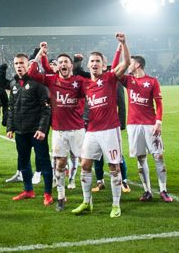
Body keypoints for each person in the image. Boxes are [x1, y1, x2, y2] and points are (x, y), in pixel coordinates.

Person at [71, 33, 130, 218]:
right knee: (85, 165)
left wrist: (123, 44)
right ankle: (86, 202)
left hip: (110, 130)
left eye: (98, 61)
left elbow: (126, 63)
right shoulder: (86, 85)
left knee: (114, 167)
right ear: (88, 65)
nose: (95, 63)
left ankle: (116, 205)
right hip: (92, 131)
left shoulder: (110, 78)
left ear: (104, 65)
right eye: (92, 61)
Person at [27, 48, 86, 211]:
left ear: (71, 66)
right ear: (57, 66)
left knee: (85, 164)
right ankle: (60, 197)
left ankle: (86, 198)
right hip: (59, 131)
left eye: (66, 61)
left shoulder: (79, 81)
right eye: (60, 62)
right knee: (60, 164)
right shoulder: (51, 80)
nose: (63, 64)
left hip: (78, 130)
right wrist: (40, 53)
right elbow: (32, 72)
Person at [119, 53, 172, 202]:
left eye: (130, 63)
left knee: (158, 156)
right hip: (133, 125)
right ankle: (147, 191)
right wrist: (120, 49)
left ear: (137, 65)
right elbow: (115, 71)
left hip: (150, 124)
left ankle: (163, 190)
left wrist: (158, 122)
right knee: (140, 157)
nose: (127, 66)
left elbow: (159, 103)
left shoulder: (152, 81)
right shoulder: (128, 80)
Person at [7, 54, 53, 205]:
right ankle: (28, 190)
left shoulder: (38, 84)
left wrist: (42, 129)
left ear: (28, 65)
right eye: (16, 63)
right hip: (21, 132)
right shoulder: (14, 83)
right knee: (23, 161)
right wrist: (10, 127)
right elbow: (11, 107)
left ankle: (48, 194)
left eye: (21, 63)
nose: (19, 66)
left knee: (43, 161)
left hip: (36, 131)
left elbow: (46, 109)